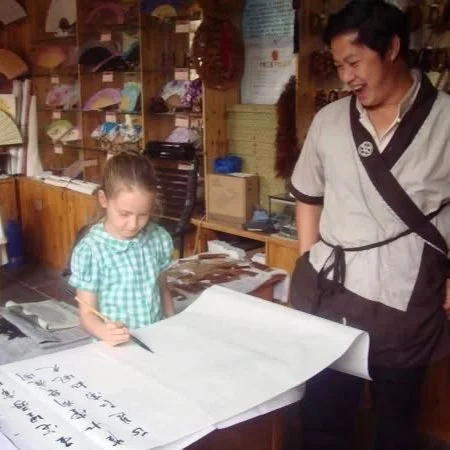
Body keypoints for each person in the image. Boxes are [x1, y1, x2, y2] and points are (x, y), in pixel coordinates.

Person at [289, 1, 450, 450]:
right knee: (322, 414)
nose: (346, 77)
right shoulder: (329, 120)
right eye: (339, 65)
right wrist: (306, 259)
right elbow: (308, 193)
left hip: (403, 299)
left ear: (393, 48)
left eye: (355, 62)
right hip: (329, 290)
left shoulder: (446, 122)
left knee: (396, 422)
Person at [69, 151, 174, 346]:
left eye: (143, 214)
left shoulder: (158, 238)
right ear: (103, 199)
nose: (134, 224)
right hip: (116, 346)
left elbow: (163, 289)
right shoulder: (91, 251)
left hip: (156, 337)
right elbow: (87, 314)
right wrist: (103, 332)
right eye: (124, 213)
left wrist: (172, 324)